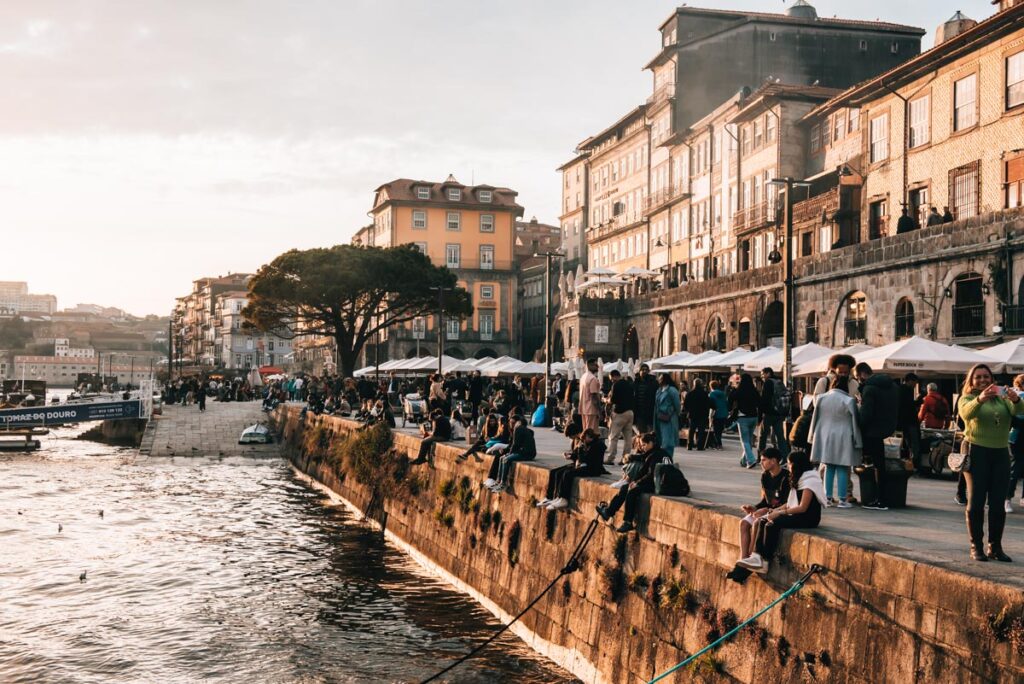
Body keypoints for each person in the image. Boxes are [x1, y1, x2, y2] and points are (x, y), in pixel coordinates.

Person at [957, 363, 1023, 561]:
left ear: (991, 379)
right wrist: (980, 399)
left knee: (997, 502)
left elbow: (1019, 410)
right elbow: (966, 414)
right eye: (978, 377)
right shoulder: (967, 398)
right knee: (976, 500)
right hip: (976, 451)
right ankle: (976, 546)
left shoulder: (1002, 398)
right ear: (971, 381)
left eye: (986, 376)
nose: (982, 380)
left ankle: (995, 547)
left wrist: (1015, 399)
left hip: (1001, 453)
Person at [736, 450, 825, 574]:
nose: (788, 466)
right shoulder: (799, 477)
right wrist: (774, 511)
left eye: (789, 463)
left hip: (808, 518)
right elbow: (790, 503)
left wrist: (779, 513)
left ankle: (765, 560)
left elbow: (802, 507)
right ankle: (757, 557)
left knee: (772, 524)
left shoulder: (810, 480)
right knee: (762, 520)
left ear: (796, 464)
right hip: (797, 514)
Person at [596, 432, 667, 533]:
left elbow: (650, 474)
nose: (642, 448)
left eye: (644, 445)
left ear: (651, 443)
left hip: (657, 484)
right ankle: (609, 512)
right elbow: (642, 462)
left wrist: (638, 483)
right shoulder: (654, 452)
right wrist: (634, 481)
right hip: (654, 481)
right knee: (625, 488)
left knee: (631, 492)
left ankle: (628, 522)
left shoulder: (656, 455)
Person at [809, 376, 862, 508]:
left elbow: (815, 418)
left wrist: (812, 436)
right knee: (843, 467)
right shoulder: (849, 400)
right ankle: (842, 499)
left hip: (825, 435)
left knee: (829, 466)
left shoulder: (821, 398)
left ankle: (827, 497)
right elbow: (855, 420)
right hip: (844, 436)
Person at [735, 448, 790, 565]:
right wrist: (754, 508)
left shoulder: (786, 477)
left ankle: (752, 557)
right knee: (744, 523)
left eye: (763, 460)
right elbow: (765, 500)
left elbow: (788, 503)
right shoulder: (765, 476)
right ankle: (743, 557)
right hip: (767, 510)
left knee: (757, 522)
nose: (760, 463)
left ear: (773, 461)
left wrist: (768, 510)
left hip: (780, 512)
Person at [855, 363, 898, 511]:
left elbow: (866, 414)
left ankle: (879, 499)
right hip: (889, 428)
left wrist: (859, 424)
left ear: (862, 374)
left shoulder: (869, 388)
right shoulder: (893, 386)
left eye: (857, 377)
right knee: (883, 465)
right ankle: (885, 498)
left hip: (873, 432)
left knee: (876, 466)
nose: (858, 380)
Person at [538, 428, 607, 510]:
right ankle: (551, 497)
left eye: (584, 439)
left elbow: (584, 459)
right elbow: (577, 456)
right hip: (582, 465)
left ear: (589, 437)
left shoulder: (598, 445)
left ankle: (564, 498)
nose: (583, 441)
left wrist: (580, 450)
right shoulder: (587, 443)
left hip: (592, 469)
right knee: (555, 472)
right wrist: (571, 455)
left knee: (567, 474)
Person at [485, 415, 537, 493]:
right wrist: (508, 452)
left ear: (518, 422)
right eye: (510, 422)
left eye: (513, 423)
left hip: (527, 454)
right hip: (522, 451)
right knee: (502, 458)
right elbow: (514, 444)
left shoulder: (518, 429)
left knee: (506, 459)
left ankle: (503, 484)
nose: (511, 424)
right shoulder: (520, 429)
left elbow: (515, 445)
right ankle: (498, 481)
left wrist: (509, 453)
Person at [758, 368, 790, 458]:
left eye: (763, 374)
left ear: (768, 373)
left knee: (763, 436)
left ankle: (761, 456)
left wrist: (760, 416)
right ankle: (784, 457)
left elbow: (764, 400)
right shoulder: (779, 382)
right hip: (779, 413)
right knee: (780, 437)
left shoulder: (768, 383)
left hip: (769, 413)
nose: (761, 376)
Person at [730, 373, 761, 468]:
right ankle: (744, 460)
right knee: (749, 440)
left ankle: (751, 460)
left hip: (743, 417)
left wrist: (734, 388)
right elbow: (759, 403)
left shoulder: (739, 391)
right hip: (754, 417)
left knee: (745, 441)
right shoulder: (754, 391)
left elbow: (730, 399)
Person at [605, 370, 635, 465]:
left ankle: (610, 458)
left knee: (613, 437)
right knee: (628, 438)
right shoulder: (629, 384)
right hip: (630, 412)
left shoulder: (616, 385)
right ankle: (625, 459)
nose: (611, 381)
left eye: (611, 379)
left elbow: (613, 400)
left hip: (619, 413)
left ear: (615, 376)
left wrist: (606, 400)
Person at [654, 374, 681, 460]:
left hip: (669, 418)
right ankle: (662, 457)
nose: (659, 380)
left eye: (660, 378)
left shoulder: (672, 390)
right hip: (659, 417)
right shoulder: (659, 390)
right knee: (661, 439)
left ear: (665, 379)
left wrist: (675, 413)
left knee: (668, 440)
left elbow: (677, 404)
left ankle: (668, 458)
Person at [898, 373, 922, 468]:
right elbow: (909, 406)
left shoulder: (899, 389)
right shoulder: (906, 390)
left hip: (903, 422)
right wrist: (919, 401)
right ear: (910, 381)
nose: (915, 385)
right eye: (915, 383)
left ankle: (908, 463)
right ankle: (914, 464)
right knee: (914, 443)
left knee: (907, 443)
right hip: (910, 422)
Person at [684, 378, 712, 451]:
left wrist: (688, 411)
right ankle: (700, 446)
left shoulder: (690, 393)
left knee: (691, 430)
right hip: (702, 414)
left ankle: (689, 445)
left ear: (694, 384)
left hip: (692, 414)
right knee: (701, 431)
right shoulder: (704, 393)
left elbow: (685, 404)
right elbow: (708, 403)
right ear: (701, 384)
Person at [633, 364, 659, 434]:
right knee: (641, 431)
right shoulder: (635, 382)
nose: (644, 371)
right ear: (639, 371)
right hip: (639, 411)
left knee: (650, 432)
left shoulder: (653, 382)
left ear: (648, 371)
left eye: (646, 370)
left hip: (650, 410)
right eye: (643, 369)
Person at [578, 359, 602, 433]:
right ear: (589, 366)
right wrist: (599, 410)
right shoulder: (593, 378)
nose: (598, 367)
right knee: (591, 433)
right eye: (596, 365)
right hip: (591, 409)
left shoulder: (583, 377)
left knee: (586, 431)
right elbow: (594, 395)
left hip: (584, 408)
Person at [708, 380, 729, 449]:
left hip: (716, 414)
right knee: (720, 430)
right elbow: (726, 402)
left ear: (711, 386)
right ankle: (718, 443)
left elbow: (711, 406)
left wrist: (710, 416)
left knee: (716, 430)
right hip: (724, 413)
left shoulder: (711, 394)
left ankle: (718, 444)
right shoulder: (723, 393)